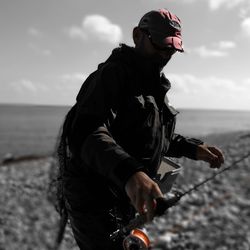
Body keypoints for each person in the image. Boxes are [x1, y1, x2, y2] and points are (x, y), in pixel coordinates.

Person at [57, 8, 225, 250]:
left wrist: (194, 149)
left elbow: (154, 136)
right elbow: (85, 130)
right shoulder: (111, 75)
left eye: (172, 49)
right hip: (96, 201)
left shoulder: (154, 86)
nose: (166, 54)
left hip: (126, 196)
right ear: (138, 36)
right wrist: (130, 173)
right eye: (160, 45)